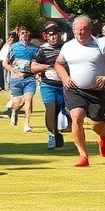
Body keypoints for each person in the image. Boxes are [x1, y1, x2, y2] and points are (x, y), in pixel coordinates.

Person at [54, 16, 105, 168]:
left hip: (97, 91)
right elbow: (58, 63)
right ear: (73, 30)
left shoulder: (100, 44)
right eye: (77, 30)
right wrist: (64, 78)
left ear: (90, 30)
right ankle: (83, 155)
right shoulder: (68, 46)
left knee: (97, 124)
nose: (80, 33)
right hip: (74, 89)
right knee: (76, 116)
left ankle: (103, 137)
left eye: (83, 29)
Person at [31, 22, 66, 150]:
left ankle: (58, 133)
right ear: (46, 36)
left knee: (66, 111)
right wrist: (46, 67)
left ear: (59, 35)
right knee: (51, 109)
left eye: (55, 34)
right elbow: (33, 67)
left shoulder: (66, 48)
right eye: (50, 35)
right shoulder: (42, 49)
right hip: (48, 85)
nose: (53, 37)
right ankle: (52, 135)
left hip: (65, 85)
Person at [5, 28, 39, 133]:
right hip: (16, 79)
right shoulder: (14, 47)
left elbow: (37, 63)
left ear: (29, 35)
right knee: (17, 102)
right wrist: (14, 72)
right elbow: (5, 63)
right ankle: (14, 111)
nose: (24, 35)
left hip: (29, 78)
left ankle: (27, 124)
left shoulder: (34, 49)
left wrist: (37, 73)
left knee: (28, 99)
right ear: (19, 35)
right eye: (22, 33)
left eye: (26, 33)